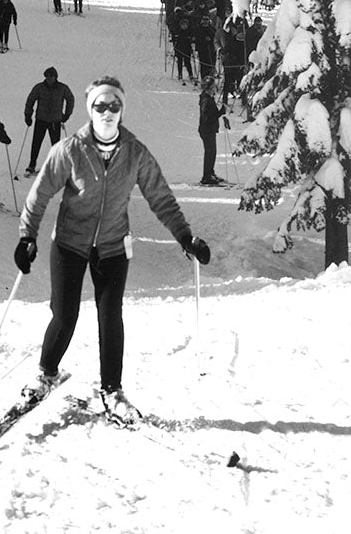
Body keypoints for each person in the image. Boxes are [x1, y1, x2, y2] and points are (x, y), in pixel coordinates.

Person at [13, 76, 210, 421]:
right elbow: (40, 193)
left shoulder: (135, 152)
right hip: (70, 243)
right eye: (100, 105)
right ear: (90, 110)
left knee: (110, 316)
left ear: (122, 110)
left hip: (113, 245)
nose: (107, 112)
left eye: (114, 105)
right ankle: (46, 374)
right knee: (65, 314)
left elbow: (160, 197)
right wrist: (27, 236)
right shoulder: (70, 150)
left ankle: (112, 390)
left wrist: (184, 237)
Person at [23, 67, 75, 175]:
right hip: (41, 120)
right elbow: (30, 100)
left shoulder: (62, 88)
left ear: (55, 77)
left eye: (51, 76)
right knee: (36, 143)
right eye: (47, 76)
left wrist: (67, 114)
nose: (49, 79)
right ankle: (32, 165)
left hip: (55, 121)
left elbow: (70, 99)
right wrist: (28, 115)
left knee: (56, 145)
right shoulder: (39, 87)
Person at [198, 76, 227, 185]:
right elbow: (207, 117)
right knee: (209, 152)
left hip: (209, 129)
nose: (215, 87)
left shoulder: (209, 98)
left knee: (212, 152)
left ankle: (210, 173)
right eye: (214, 86)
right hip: (207, 130)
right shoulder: (206, 100)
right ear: (209, 87)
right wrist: (219, 113)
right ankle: (206, 176)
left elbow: (211, 114)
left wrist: (219, 112)